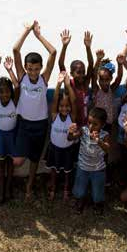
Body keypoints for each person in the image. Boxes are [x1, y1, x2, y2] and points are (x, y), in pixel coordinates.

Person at [12, 20, 56, 199]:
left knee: (34, 159)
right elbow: (15, 50)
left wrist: (39, 36)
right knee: (17, 160)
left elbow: (53, 52)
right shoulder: (22, 77)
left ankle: (29, 184)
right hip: (23, 124)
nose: (33, 72)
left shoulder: (43, 79)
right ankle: (14, 179)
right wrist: (27, 30)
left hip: (39, 125)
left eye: (36, 69)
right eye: (30, 69)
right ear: (25, 67)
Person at [68, 107, 110, 215]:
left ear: (103, 125)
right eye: (89, 122)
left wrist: (98, 141)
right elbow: (70, 138)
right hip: (83, 167)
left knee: (97, 193)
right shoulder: (84, 130)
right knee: (79, 189)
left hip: (98, 169)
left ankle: (98, 204)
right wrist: (70, 133)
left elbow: (107, 148)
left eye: (95, 124)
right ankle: (80, 200)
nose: (91, 126)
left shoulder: (105, 135)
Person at [0, 54, 19, 205]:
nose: (4, 94)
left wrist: (10, 70)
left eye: (7, 91)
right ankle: (1, 191)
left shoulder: (14, 102)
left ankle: (9, 189)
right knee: (1, 164)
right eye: (1, 92)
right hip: (0, 137)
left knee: (10, 164)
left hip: (12, 137)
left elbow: (17, 86)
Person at [45, 71, 76, 201]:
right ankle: (53, 188)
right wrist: (58, 83)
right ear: (57, 107)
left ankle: (66, 189)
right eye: (62, 106)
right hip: (54, 149)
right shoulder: (55, 115)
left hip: (68, 149)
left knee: (67, 171)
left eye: (67, 106)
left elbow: (74, 100)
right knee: (54, 170)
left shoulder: (72, 117)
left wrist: (68, 85)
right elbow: (55, 97)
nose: (64, 108)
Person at [58, 29, 93, 128]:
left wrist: (88, 48)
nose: (82, 75)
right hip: (72, 125)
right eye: (78, 72)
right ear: (72, 73)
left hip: (85, 125)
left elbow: (91, 64)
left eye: (83, 72)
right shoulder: (69, 83)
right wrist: (64, 46)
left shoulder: (85, 83)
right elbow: (61, 64)